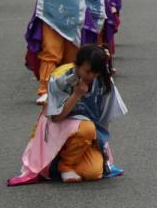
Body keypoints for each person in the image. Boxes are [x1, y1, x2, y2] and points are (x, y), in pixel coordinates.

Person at [8, 45, 127, 185]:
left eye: (95, 72)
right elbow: (56, 118)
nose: (91, 76)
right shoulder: (60, 78)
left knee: (93, 172)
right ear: (77, 65)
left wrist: (103, 147)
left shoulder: (104, 82)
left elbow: (104, 119)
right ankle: (66, 166)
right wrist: (77, 94)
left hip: (84, 138)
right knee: (87, 128)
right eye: (87, 71)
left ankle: (58, 165)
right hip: (58, 128)